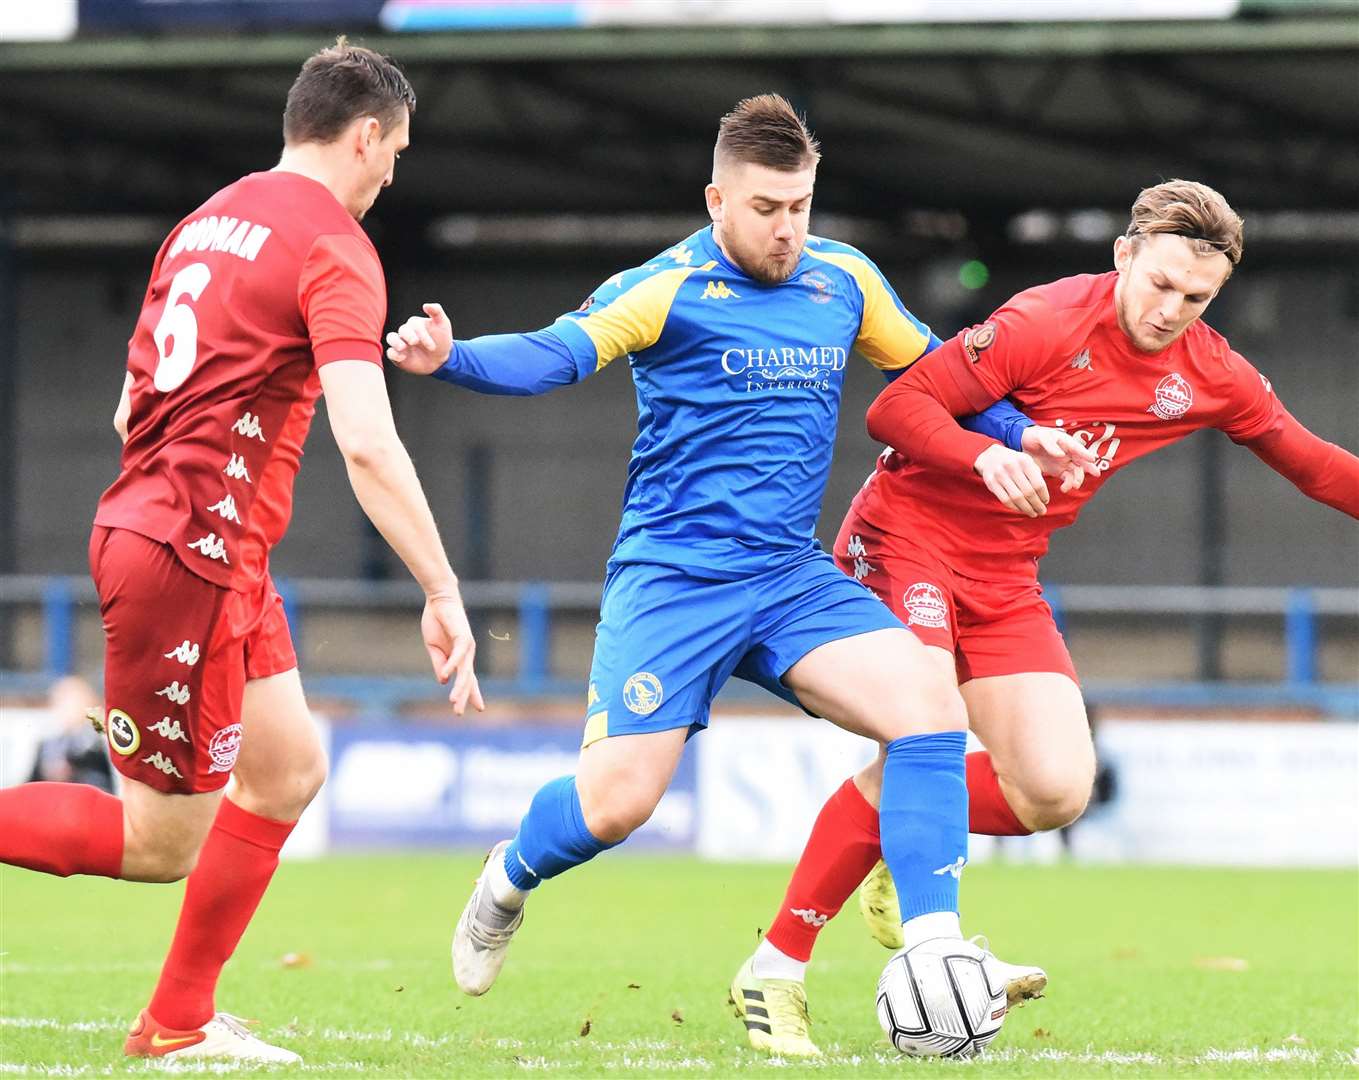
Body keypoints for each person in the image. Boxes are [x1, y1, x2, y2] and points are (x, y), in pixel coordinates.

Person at [386, 94, 1061, 1058]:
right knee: (615, 805)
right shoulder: (665, 286)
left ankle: (933, 949)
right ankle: (507, 879)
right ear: (715, 200)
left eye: (799, 206)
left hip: (787, 578)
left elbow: (942, 379)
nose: (785, 229)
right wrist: (451, 359)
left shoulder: (844, 281)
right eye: (763, 208)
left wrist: (1020, 430)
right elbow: (554, 355)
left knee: (925, 701)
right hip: (673, 583)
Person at [738, 178, 1359, 1040]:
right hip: (906, 536)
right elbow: (896, 405)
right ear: (1124, 256)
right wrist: (982, 454)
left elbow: (1311, 463)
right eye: (1160, 284)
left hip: (1004, 576)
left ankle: (904, 834)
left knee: (1056, 791)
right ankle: (776, 969)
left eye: (1196, 296)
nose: (1172, 308)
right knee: (923, 734)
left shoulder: (1210, 371)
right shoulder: (1044, 321)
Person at [0, 40, 482, 1065]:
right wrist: (441, 588)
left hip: (195, 544)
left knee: (290, 768)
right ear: (365, 136)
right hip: (191, 557)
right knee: (157, 843)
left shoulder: (205, 222)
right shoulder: (335, 248)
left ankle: (177, 1019)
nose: (392, 172)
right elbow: (365, 437)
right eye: (395, 151)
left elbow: (129, 402)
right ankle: (174, 1029)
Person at [26, 675, 115, 792]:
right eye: (62, 702)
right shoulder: (47, 746)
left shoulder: (100, 742)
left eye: (74, 702)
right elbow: (30, 786)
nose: (67, 709)